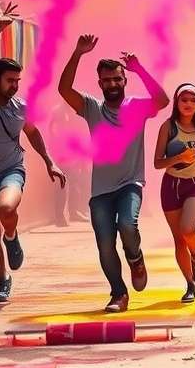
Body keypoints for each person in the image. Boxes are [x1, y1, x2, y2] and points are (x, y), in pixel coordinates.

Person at [58, 34, 169, 313]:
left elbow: (163, 100)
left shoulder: (137, 107)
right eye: (106, 80)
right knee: (105, 246)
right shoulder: (92, 108)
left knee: (128, 225)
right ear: (100, 84)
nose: (112, 84)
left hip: (130, 183)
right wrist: (77, 53)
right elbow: (64, 89)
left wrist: (139, 68)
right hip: (101, 192)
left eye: (117, 79)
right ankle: (118, 294)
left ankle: (135, 258)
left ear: (124, 80)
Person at [0, 4, 66, 303]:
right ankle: (2, 280)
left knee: (6, 209)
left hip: (11, 169)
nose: (15, 85)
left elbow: (32, 133)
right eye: (10, 80)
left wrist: (49, 161)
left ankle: (12, 236)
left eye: (18, 81)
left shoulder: (21, 107)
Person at [154, 83, 195, 303]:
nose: (189, 104)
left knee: (187, 228)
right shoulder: (168, 127)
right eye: (184, 100)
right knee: (179, 239)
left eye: (193, 100)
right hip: (171, 186)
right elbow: (157, 163)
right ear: (177, 102)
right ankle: (190, 284)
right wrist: (178, 158)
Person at [48, 103, 90, 227]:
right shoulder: (58, 111)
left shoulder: (75, 110)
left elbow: (78, 133)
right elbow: (53, 130)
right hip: (62, 154)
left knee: (75, 183)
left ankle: (74, 212)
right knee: (62, 183)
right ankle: (60, 216)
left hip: (73, 152)